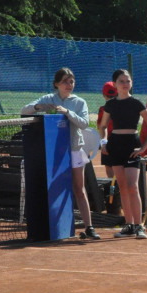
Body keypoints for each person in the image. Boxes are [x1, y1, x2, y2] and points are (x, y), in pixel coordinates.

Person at [21, 67, 100, 240]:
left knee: (79, 188)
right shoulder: (49, 99)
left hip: (75, 149)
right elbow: (24, 111)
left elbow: (84, 124)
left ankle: (89, 227)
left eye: (71, 81)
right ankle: (55, 226)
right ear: (56, 83)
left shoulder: (79, 102)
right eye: (65, 81)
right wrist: (37, 106)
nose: (69, 84)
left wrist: (67, 112)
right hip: (54, 152)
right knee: (55, 188)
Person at [97, 69, 147, 239]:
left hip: (132, 145)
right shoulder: (110, 104)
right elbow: (102, 126)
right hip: (115, 145)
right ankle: (129, 225)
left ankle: (139, 226)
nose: (125, 84)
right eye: (121, 81)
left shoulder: (136, 103)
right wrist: (103, 142)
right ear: (115, 84)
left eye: (128, 81)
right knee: (122, 186)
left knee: (132, 186)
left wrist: (143, 148)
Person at [97, 81, 118, 206]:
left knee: (109, 169)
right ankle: (117, 194)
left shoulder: (103, 109)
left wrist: (102, 141)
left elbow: (100, 126)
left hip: (107, 141)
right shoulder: (121, 107)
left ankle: (113, 196)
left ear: (104, 95)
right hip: (119, 140)